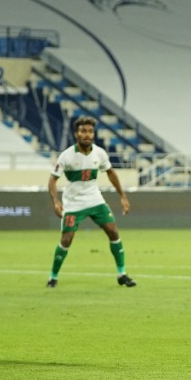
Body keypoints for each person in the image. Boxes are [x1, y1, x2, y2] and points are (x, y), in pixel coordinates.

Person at [46, 116, 135, 289]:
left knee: (113, 231)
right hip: (73, 203)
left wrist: (122, 196)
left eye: (90, 131)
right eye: (83, 131)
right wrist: (56, 201)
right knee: (66, 239)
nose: (87, 134)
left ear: (93, 134)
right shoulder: (66, 156)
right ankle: (53, 277)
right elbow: (52, 180)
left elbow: (111, 173)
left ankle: (122, 274)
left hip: (95, 199)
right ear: (76, 134)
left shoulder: (99, 153)